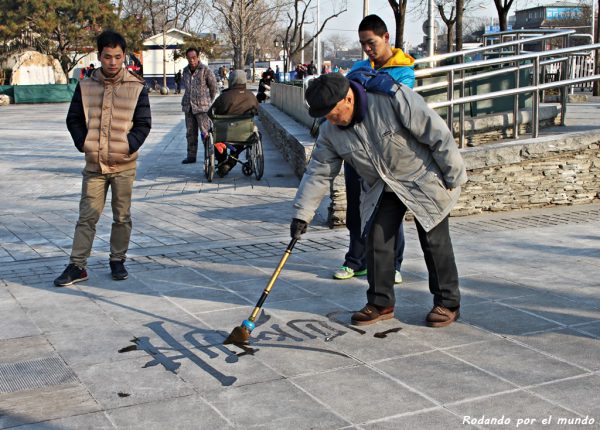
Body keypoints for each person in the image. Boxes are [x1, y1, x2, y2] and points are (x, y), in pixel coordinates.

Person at [290, 73, 466, 327]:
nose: (329, 120)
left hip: (422, 177)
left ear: (348, 98)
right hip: (382, 186)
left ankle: (448, 303)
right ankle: (380, 303)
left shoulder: (391, 98)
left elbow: (435, 130)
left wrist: (453, 174)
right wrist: (302, 214)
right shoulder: (330, 132)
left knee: (434, 241)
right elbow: (318, 171)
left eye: (332, 113)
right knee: (376, 240)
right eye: (324, 116)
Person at [54, 30, 151, 287]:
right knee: (87, 216)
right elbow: (73, 119)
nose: (112, 62)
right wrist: (84, 143)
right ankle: (77, 265)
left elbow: (144, 124)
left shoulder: (136, 87)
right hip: (94, 165)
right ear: (99, 56)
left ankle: (117, 259)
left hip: (123, 166)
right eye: (107, 57)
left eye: (117, 57)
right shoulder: (85, 86)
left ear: (124, 57)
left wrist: (128, 146)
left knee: (122, 216)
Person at [333, 14, 416, 283]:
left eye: (371, 43)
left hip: (387, 153)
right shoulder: (358, 67)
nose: (367, 49)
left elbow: (397, 102)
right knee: (356, 209)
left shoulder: (404, 70)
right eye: (363, 44)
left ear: (386, 38)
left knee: (387, 209)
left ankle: (393, 264)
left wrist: (369, 84)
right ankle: (356, 260)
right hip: (356, 149)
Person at [209, 70, 259, 177]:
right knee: (246, 137)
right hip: (244, 133)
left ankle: (222, 161)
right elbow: (257, 111)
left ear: (231, 80)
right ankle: (232, 160)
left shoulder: (224, 96)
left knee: (215, 135)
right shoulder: (251, 96)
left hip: (224, 133)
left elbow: (211, 113)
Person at [180, 47, 218, 164]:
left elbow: (213, 88)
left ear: (198, 57)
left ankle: (210, 155)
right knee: (190, 133)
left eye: (194, 58)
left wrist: (207, 101)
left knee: (205, 133)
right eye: (189, 58)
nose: (192, 60)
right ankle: (191, 156)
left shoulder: (205, 70)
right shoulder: (185, 71)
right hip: (189, 107)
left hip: (202, 108)